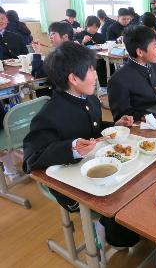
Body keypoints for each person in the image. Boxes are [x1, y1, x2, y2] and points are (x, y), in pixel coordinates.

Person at [23, 41, 139, 249]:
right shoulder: (49, 115)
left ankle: (124, 232)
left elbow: (92, 130)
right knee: (118, 199)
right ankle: (114, 236)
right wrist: (71, 148)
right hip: (70, 186)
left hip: (98, 169)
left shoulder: (89, 99)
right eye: (91, 70)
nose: (96, 75)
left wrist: (113, 126)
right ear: (73, 78)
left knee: (134, 183)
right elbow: (31, 159)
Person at [108, 25, 156, 121]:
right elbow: (122, 118)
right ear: (140, 52)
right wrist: (143, 117)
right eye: (154, 46)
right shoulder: (118, 80)